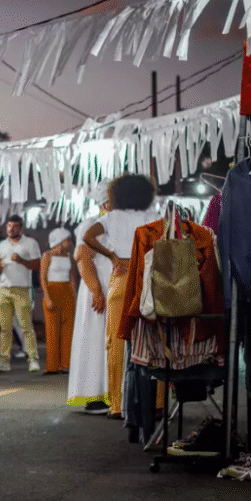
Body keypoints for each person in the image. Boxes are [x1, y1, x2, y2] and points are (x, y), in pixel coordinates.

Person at [83, 175, 158, 419]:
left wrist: (112, 256)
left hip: (121, 277)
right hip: (146, 278)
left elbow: (87, 237)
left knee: (115, 341)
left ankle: (117, 404)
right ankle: (157, 404)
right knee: (153, 338)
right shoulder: (152, 216)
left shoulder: (111, 217)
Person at [67, 182, 112, 414]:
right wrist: (96, 291)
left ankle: (112, 392)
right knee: (96, 339)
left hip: (111, 288)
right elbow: (82, 257)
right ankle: (96, 394)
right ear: (105, 203)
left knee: (109, 341)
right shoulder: (92, 224)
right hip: (98, 288)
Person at [0, 215, 41, 373]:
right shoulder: (2, 245)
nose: (10, 229)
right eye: (8, 226)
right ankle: (4, 360)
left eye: (14, 226)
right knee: (5, 328)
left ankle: (32, 359)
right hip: (4, 288)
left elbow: (36, 265)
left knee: (26, 326)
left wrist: (21, 260)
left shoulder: (30, 243)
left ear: (21, 228)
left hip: (22, 289)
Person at [40, 228, 77, 375]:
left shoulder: (69, 257)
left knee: (68, 329)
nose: (70, 242)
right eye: (68, 239)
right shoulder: (47, 255)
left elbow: (72, 278)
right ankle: (52, 366)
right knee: (52, 329)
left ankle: (65, 364)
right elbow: (43, 278)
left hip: (67, 292)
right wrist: (47, 297)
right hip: (52, 291)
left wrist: (75, 298)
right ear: (60, 241)